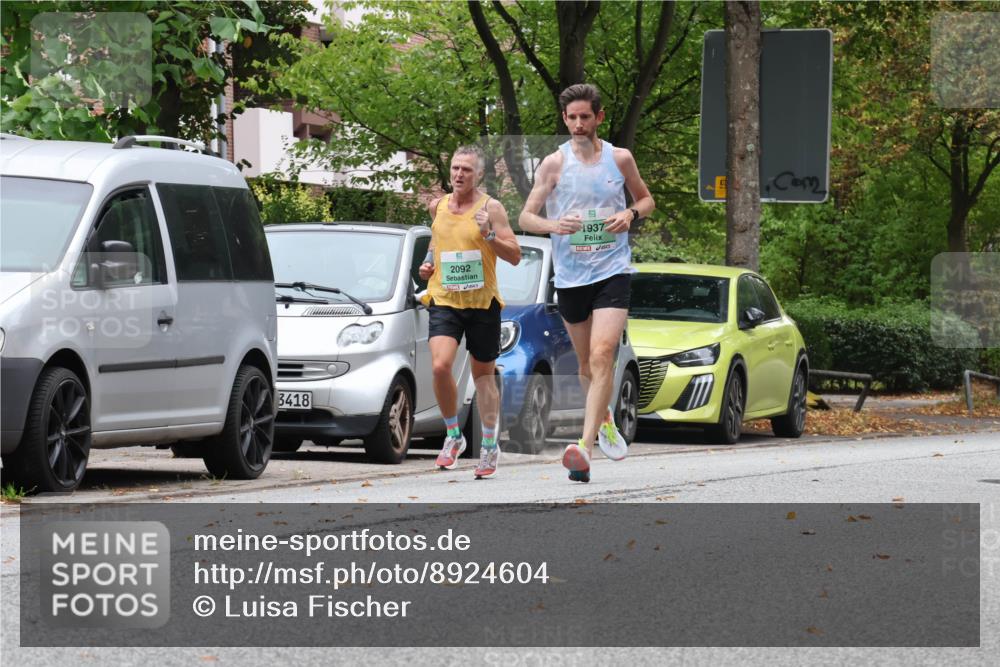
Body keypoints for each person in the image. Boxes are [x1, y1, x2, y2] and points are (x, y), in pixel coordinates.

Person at [519, 84, 655, 483]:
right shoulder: (553, 164)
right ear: (565, 119)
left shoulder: (619, 158)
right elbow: (526, 217)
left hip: (612, 270)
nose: (578, 124)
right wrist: (553, 224)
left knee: (602, 354)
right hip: (571, 276)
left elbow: (646, 200)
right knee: (584, 364)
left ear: (599, 117)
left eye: (585, 117)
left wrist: (630, 214)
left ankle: (584, 446)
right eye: (572, 117)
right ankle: (605, 418)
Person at [418, 146, 521, 479]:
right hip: (445, 298)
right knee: (439, 366)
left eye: (466, 169)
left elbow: (515, 255)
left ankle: (489, 444)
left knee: (483, 377)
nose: (459, 174)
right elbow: (437, 240)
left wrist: (489, 234)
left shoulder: (492, 208)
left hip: (482, 302)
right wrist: (428, 263)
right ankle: (453, 435)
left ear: (479, 174)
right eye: (455, 168)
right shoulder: (437, 206)